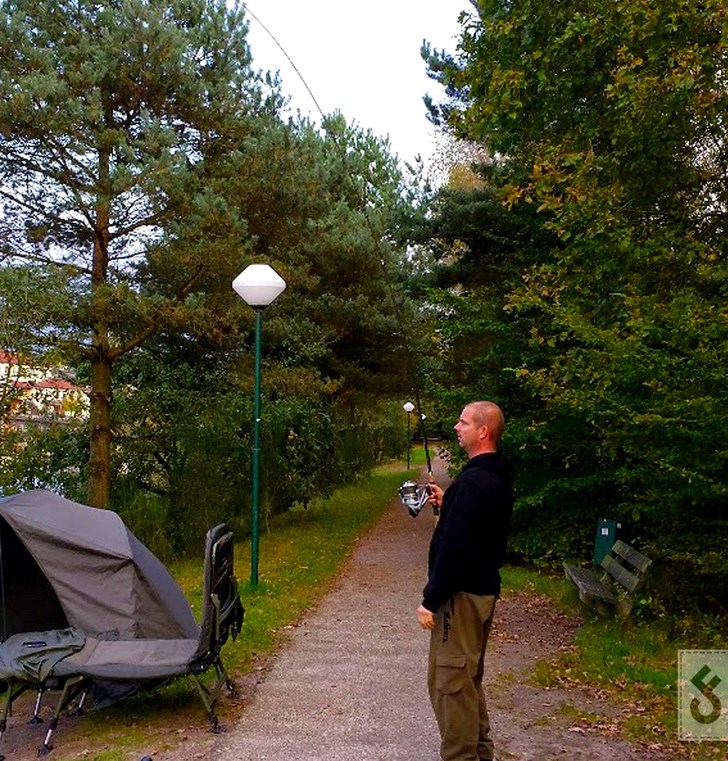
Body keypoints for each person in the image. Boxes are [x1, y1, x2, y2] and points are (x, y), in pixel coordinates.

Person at [416, 401, 513, 761]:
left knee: (450, 684)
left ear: (483, 431)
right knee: (467, 680)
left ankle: (462, 756)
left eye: (463, 422)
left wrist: (431, 598)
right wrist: (448, 506)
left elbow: (456, 550)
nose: (457, 427)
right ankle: (480, 754)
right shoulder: (492, 478)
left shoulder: (474, 483)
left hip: (461, 598)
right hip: (480, 593)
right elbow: (475, 533)